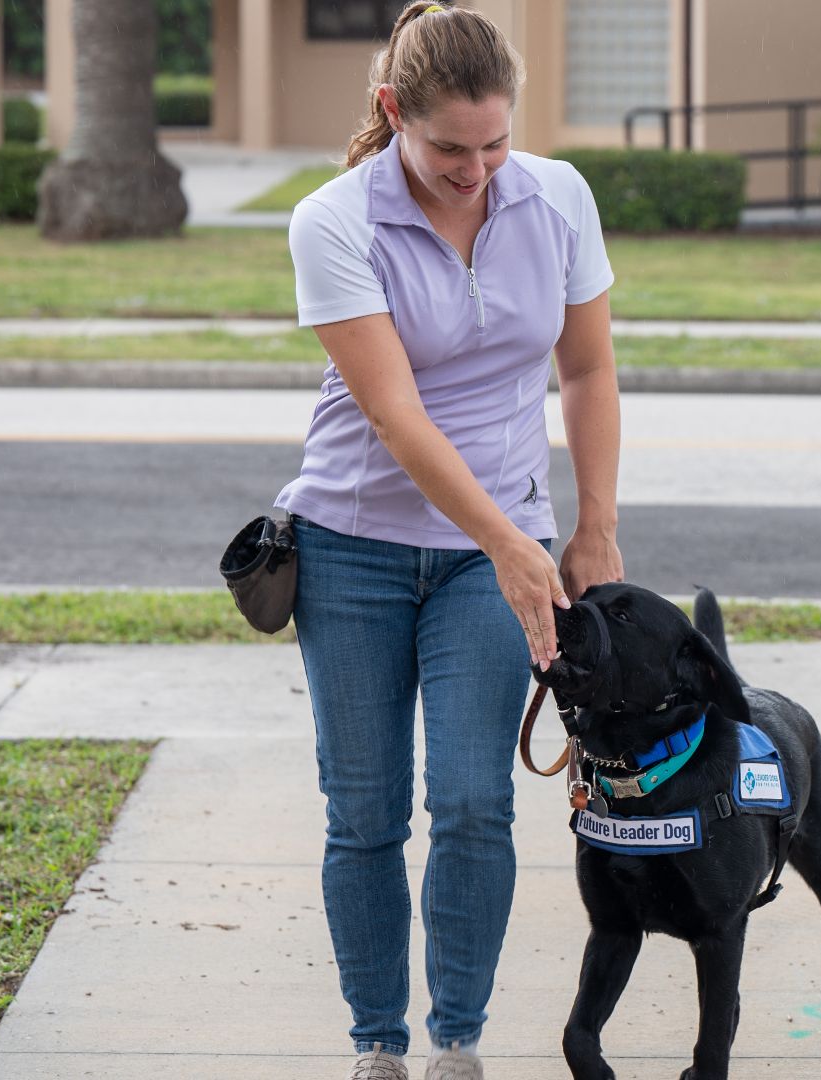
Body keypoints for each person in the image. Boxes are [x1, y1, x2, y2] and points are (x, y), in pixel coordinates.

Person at [274, 3, 623, 1078]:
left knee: (473, 803)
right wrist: (516, 545)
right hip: (353, 547)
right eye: (447, 149)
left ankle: (456, 1046)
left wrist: (592, 526)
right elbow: (397, 417)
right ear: (393, 113)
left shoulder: (557, 197)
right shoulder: (333, 221)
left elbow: (586, 371)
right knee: (366, 811)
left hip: (495, 553)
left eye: (495, 143)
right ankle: (378, 1044)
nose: (476, 169)